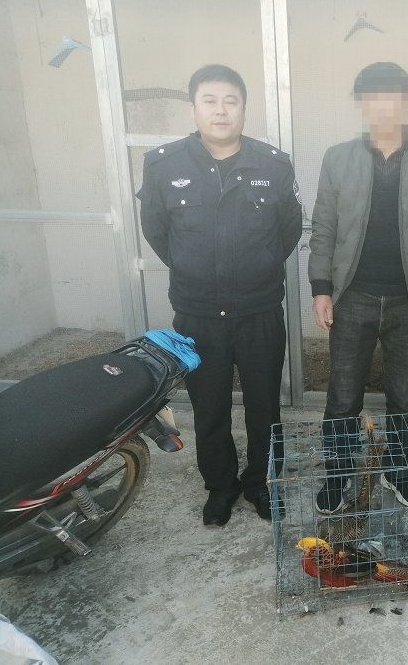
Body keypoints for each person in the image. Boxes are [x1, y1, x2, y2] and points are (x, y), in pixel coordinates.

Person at [138, 64, 302, 526]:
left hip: (259, 310)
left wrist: (257, 266)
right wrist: (195, 269)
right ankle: (220, 486)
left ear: (244, 109)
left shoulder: (273, 164)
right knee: (209, 408)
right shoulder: (164, 164)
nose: (221, 110)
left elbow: (288, 231)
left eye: (231, 101)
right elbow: (157, 232)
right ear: (194, 108)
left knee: (264, 407)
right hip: (198, 314)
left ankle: (262, 483)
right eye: (209, 100)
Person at [307, 62, 408, 514]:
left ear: (406, 102)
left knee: (404, 396)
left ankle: (398, 470)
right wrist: (321, 288)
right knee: (342, 397)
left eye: (393, 96)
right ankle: (338, 473)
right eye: (373, 97)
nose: (383, 106)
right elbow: (323, 228)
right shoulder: (338, 159)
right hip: (351, 297)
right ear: (361, 103)